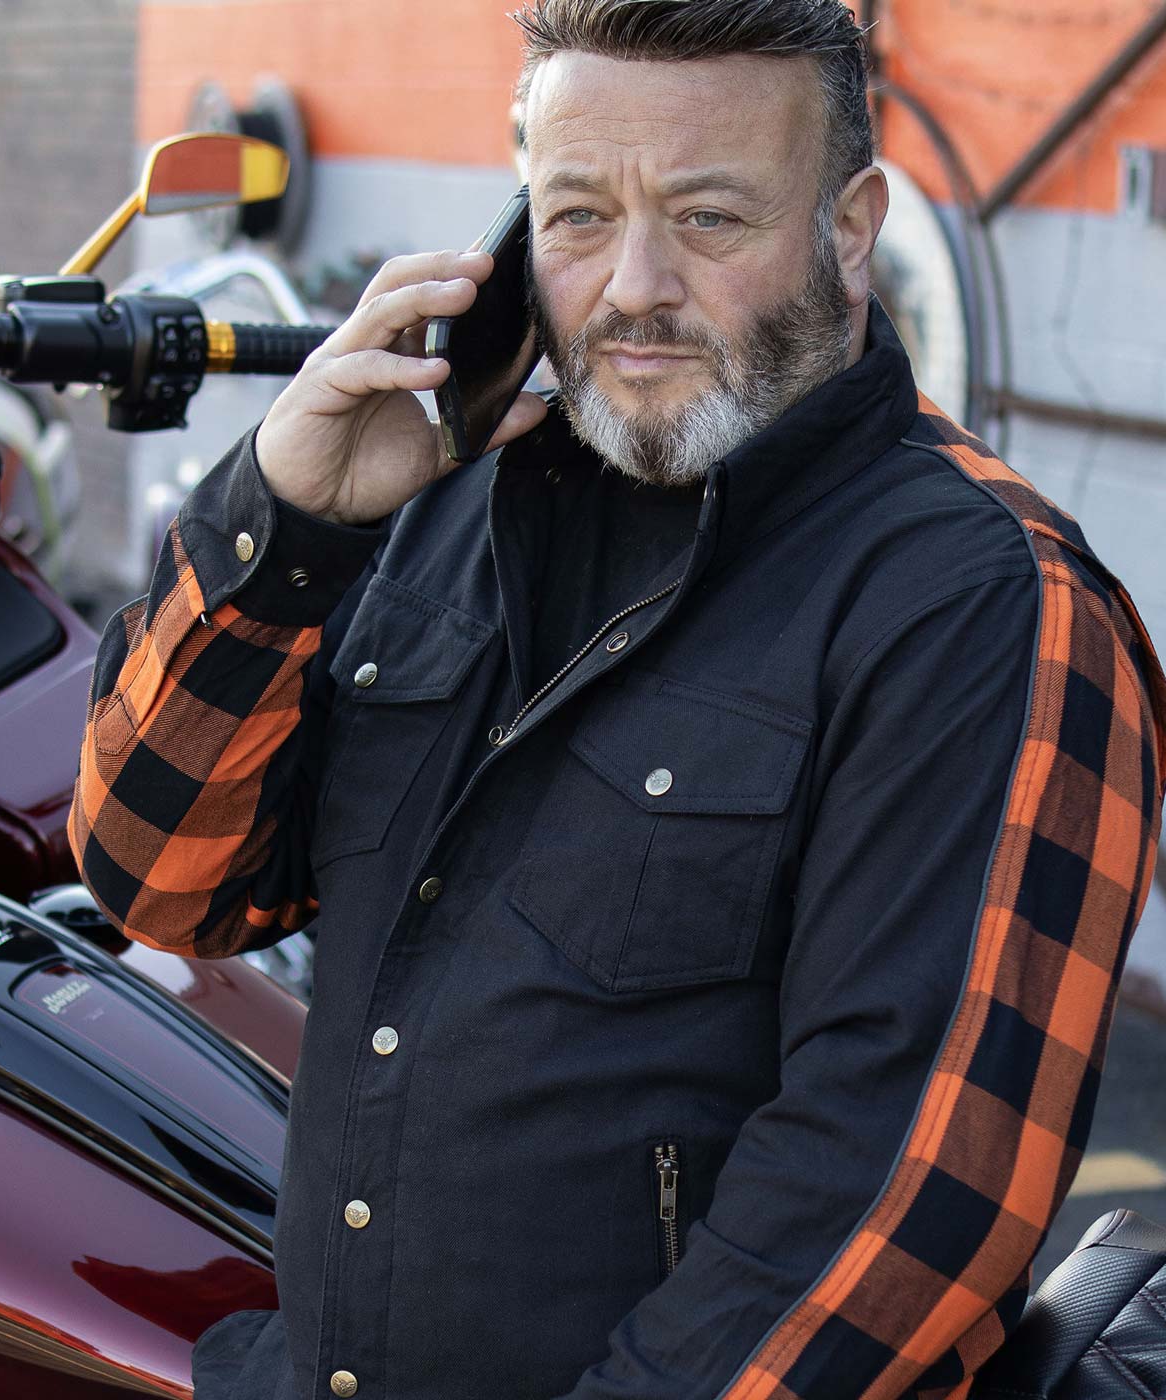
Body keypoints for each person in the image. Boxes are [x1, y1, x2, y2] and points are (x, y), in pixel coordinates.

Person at [68, 1, 1166, 1396]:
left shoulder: (986, 605)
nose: (635, 287)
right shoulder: (430, 495)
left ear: (848, 229)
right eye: (579, 216)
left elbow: (893, 1212)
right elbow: (161, 884)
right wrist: (289, 529)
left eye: (708, 218)